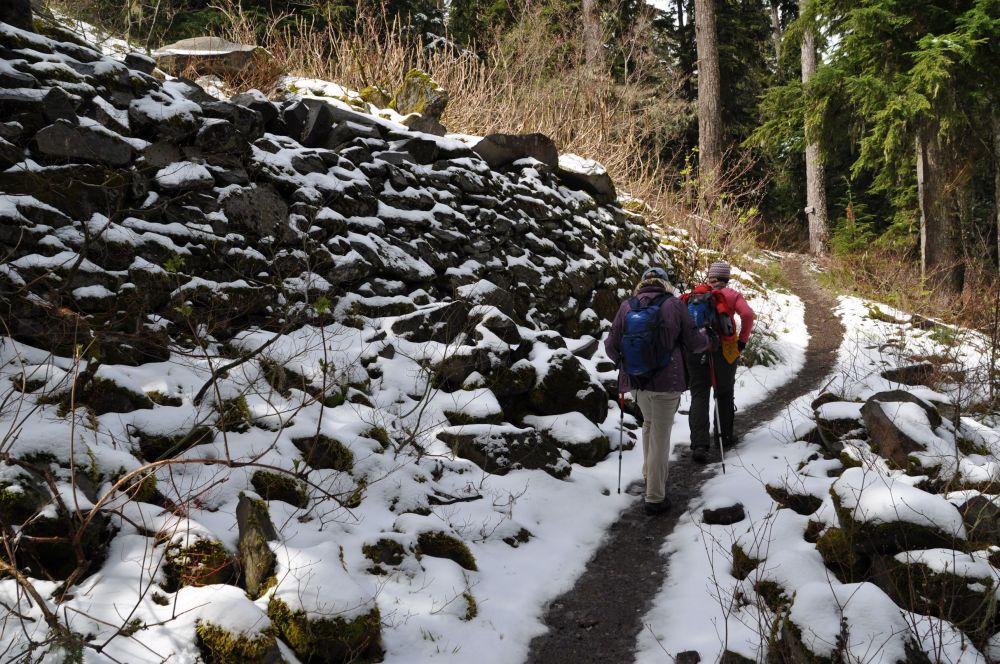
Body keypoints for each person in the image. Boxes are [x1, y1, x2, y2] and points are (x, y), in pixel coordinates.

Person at [604, 266, 708, 515]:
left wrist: (624, 364)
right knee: (660, 436)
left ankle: (650, 476)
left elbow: (610, 345)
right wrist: (709, 339)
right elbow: (694, 343)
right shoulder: (674, 305)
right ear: (665, 283)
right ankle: (654, 497)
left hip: (636, 383)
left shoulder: (627, 306)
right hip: (666, 381)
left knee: (649, 425)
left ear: (642, 283)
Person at [688, 260, 755, 464]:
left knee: (699, 393)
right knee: (724, 393)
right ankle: (724, 437)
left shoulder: (695, 295)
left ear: (710, 277)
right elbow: (747, 315)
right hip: (724, 349)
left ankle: (699, 444)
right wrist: (742, 341)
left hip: (697, 349)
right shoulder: (733, 295)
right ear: (727, 278)